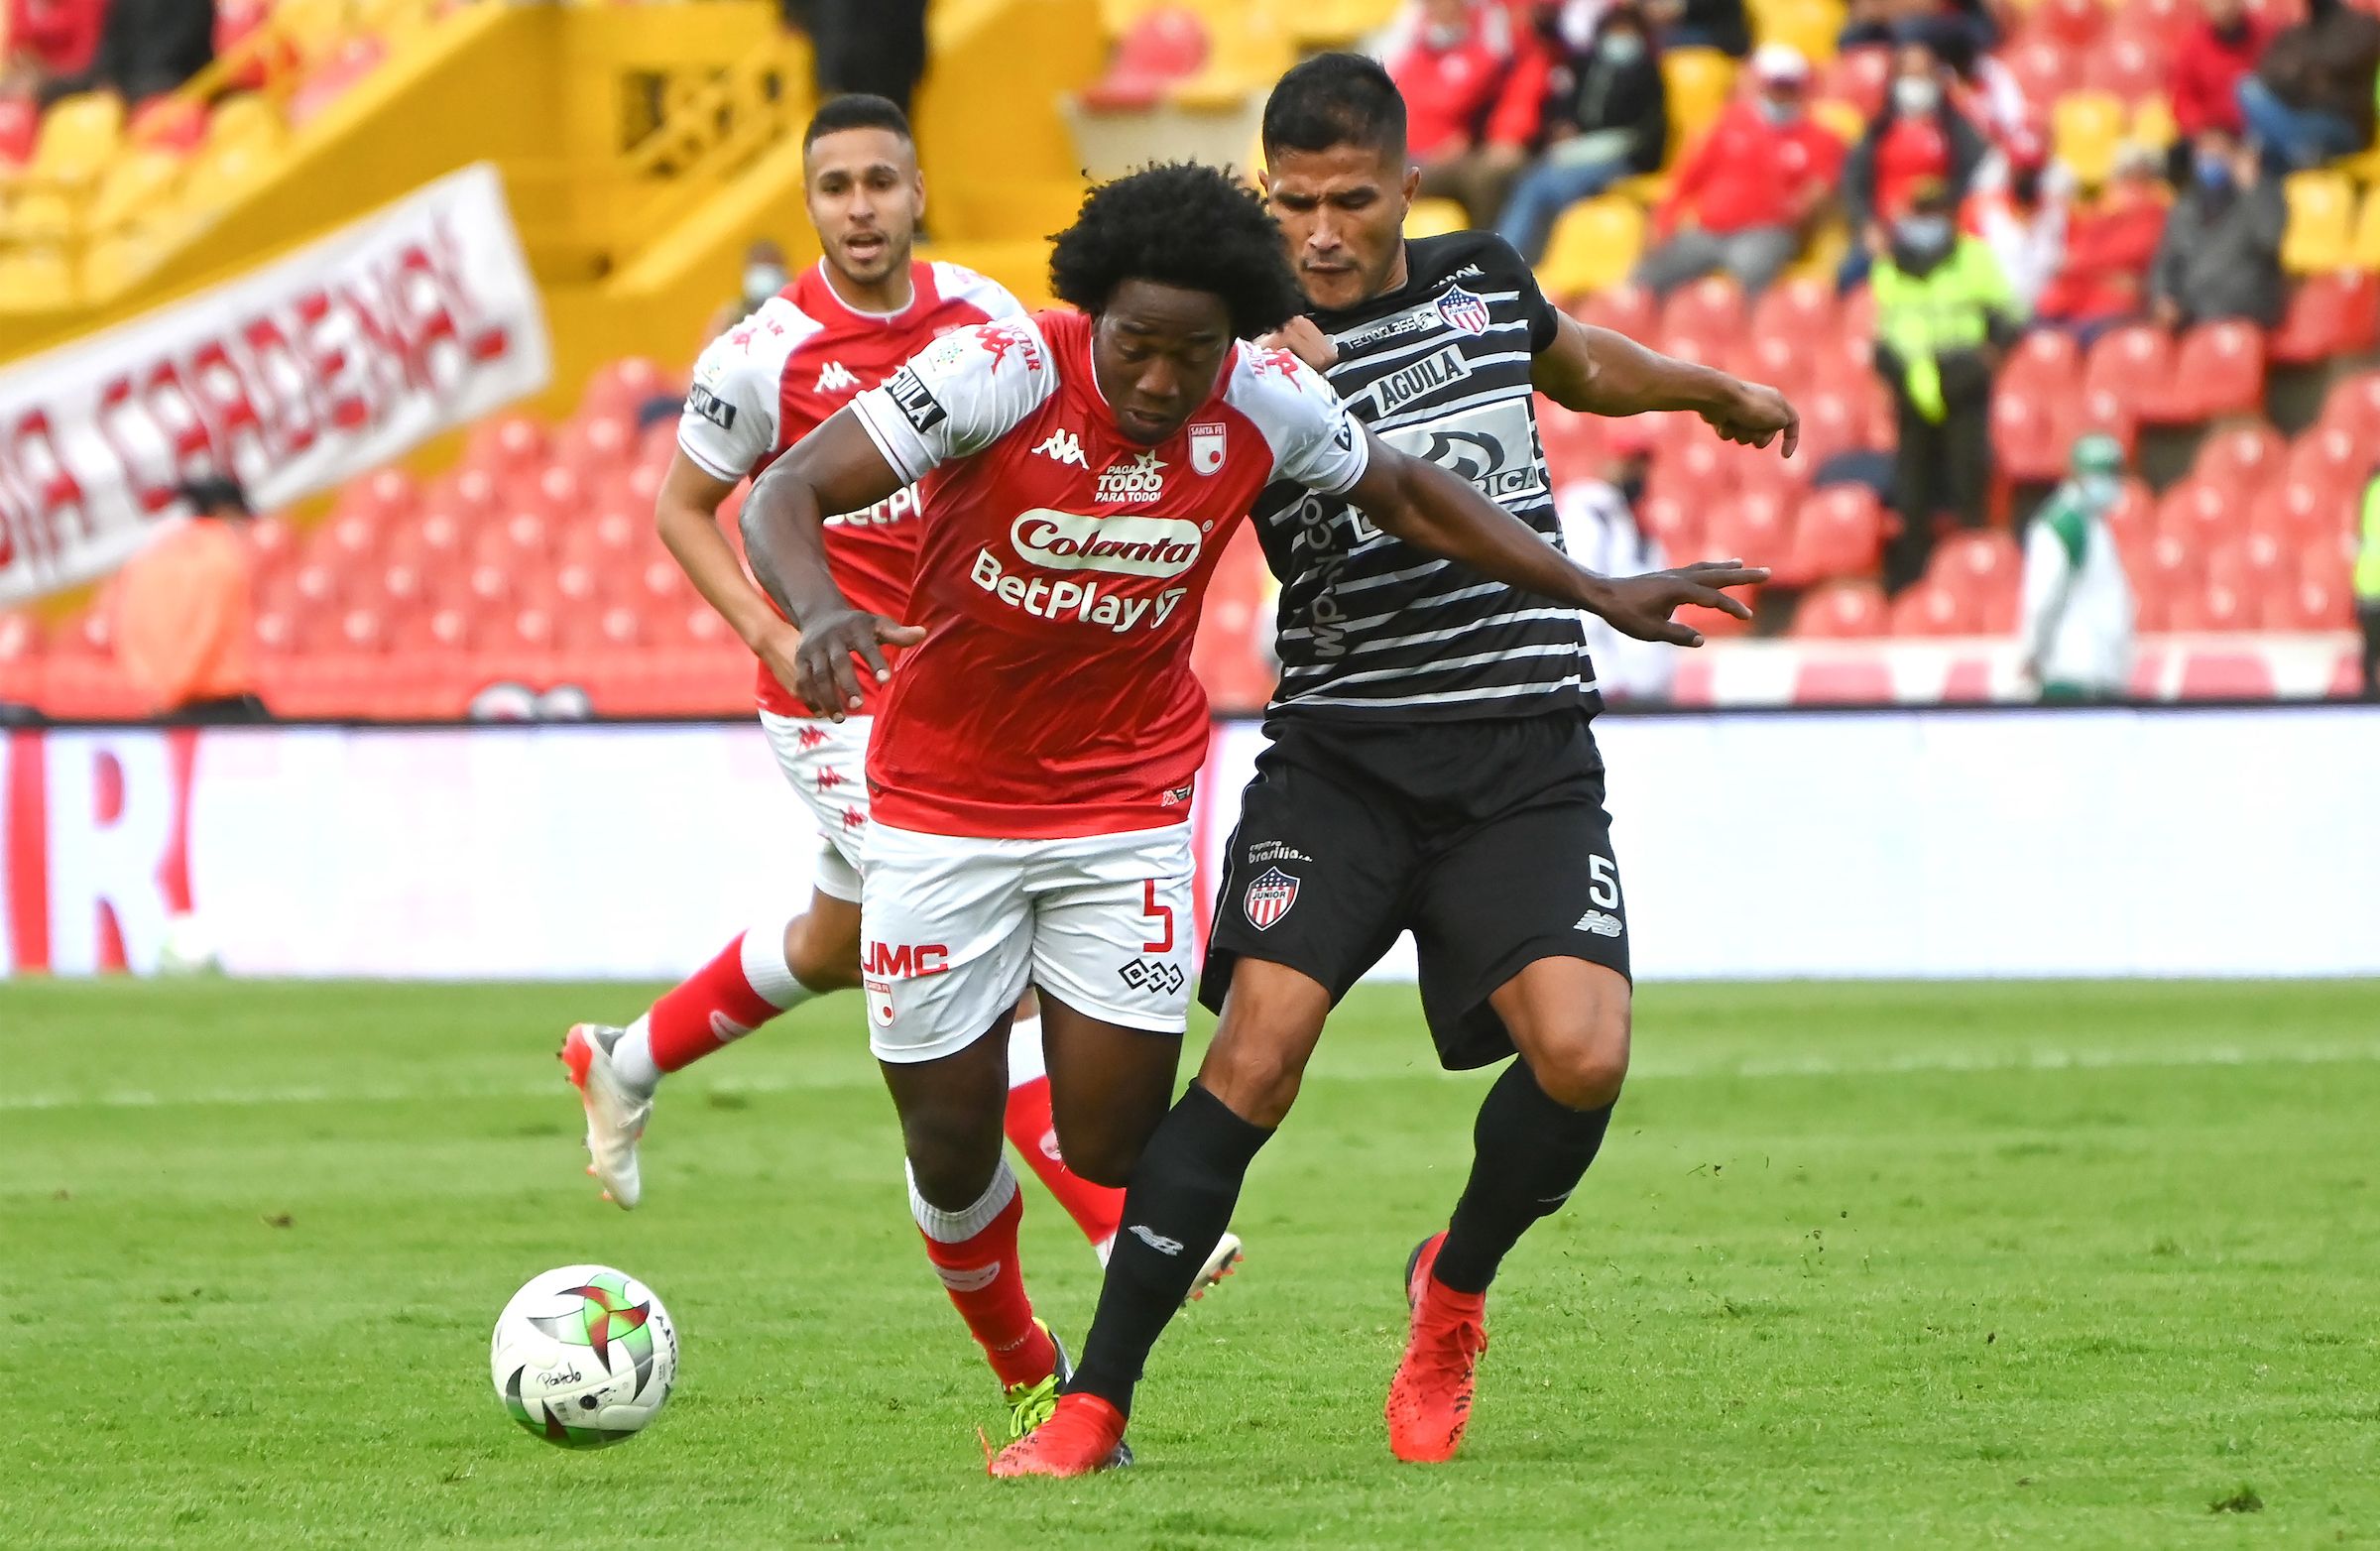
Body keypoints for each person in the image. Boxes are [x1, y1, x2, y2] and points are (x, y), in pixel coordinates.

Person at [738, 156, 1762, 1470]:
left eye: (1195, 352)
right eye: (1138, 346)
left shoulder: (1265, 396)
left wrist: (1592, 589)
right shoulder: (1000, 367)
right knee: (947, 1143)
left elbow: (1407, 491)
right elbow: (783, 491)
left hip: (1124, 801)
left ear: (1237, 335)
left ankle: (1111, 1393)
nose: (1165, 380)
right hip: (944, 801)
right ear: (1094, 313)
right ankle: (1028, 1362)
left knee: (1113, 1139)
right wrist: (818, 608)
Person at [990, 57, 1790, 1478]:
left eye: (1351, 201)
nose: (1321, 232)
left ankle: (1452, 1289)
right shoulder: (1230, 349)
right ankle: (1094, 1408)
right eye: (1293, 203)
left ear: (1409, 188)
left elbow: (1578, 360)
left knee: (1586, 1056)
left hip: (1523, 748)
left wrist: (1707, 388)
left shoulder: (1484, 278)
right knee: (1255, 1061)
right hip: (1343, 758)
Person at [559, 99, 1222, 1309]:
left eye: (880, 182)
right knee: (989, 965)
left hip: (963, 694)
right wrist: (775, 631)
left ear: (918, 192)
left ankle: (623, 1057)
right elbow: (683, 509)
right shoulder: (762, 352)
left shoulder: (987, 321)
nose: (859, 207)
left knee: (833, 943)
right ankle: (1112, 1218)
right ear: (810, 204)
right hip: (842, 704)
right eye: (835, 187)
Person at [1872, 179, 2020, 592]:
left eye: (1935, 213)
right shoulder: (1890, 264)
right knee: (1911, 490)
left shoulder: (1974, 257)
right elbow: (1885, 325)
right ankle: (1914, 587)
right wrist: (1892, 368)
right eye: (1921, 213)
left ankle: (1977, 579)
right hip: (1912, 383)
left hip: (1962, 380)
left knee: (1968, 481)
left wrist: (1987, 359)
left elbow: (2008, 315)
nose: (1928, 222)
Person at [1633, 42, 1844, 298]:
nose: (1780, 92)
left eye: (1788, 86)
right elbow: (1688, 177)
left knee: (1751, 272)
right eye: (1775, 85)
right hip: (1709, 230)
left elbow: (1822, 185)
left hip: (1765, 232)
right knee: (1650, 274)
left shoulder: (1820, 138)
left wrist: (1795, 210)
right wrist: (1663, 220)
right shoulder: (1727, 124)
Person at [1493, 3, 1667, 263]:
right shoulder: (1587, 67)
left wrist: (1620, 149)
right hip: (1577, 149)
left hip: (1622, 156)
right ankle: (1504, 255)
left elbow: (1649, 131)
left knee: (1557, 187)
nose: (1620, 38)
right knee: (1530, 181)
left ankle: (1543, 260)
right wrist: (1564, 125)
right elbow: (1566, 105)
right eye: (1615, 31)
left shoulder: (1648, 75)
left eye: (1627, 32)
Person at [111, 476, 268, 723]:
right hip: (219, 700)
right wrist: (177, 690)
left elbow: (129, 633)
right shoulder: (220, 555)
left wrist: (162, 698)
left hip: (161, 705)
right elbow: (206, 631)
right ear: (226, 511)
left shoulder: (143, 561)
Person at [1839, 39, 1988, 293]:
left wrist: (1951, 217)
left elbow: (1977, 175)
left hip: (1941, 228)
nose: (1916, 83)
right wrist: (1867, 225)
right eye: (1909, 75)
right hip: (1887, 230)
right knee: (1850, 277)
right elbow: (1854, 182)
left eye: (1923, 75)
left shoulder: (1954, 129)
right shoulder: (1879, 130)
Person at [1388, 0, 1544, 224]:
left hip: (1457, 154)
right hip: (1408, 153)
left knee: (1487, 176)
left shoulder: (1493, 54)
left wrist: (1496, 136)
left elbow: (1496, 104)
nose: (1437, 10)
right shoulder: (1410, 54)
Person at [1553, 422, 1676, 701]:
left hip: (1641, 684)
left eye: (1641, 465)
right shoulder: (1588, 512)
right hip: (1605, 682)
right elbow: (1582, 597)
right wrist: (1602, 673)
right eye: (1627, 463)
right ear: (1605, 462)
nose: (1636, 473)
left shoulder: (1632, 521)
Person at [2018, 434, 2135, 702]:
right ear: (2076, 476)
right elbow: (2043, 596)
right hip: (2070, 670)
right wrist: (2033, 652)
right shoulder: (2062, 524)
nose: (2109, 483)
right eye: (2099, 474)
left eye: (2112, 473)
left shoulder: (2094, 524)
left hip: (2102, 671)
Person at [2149, 127, 2285, 330]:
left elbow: (2270, 237)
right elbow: (2167, 260)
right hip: (2192, 313)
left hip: (2243, 310)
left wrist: (2251, 187)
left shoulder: (2263, 195)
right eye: (2204, 151)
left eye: (2219, 151)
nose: (2210, 159)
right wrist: (2163, 296)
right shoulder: (2187, 205)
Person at [2034, 142, 2168, 343]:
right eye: (2124, 174)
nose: (2129, 183)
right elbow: (2073, 255)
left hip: (2112, 309)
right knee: (2035, 332)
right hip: (2074, 302)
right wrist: (2095, 269)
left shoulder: (2155, 214)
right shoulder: (2103, 214)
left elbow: (2129, 252)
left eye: (2136, 176)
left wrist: (2080, 264)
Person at [2236, 0, 2380, 174]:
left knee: (2252, 95)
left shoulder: (2362, 25)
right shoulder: (2296, 33)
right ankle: (2300, 157)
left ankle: (2301, 157)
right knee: (2249, 89)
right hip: (2300, 118)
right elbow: (2267, 71)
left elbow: (2341, 62)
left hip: (2347, 127)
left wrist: (2300, 77)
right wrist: (2308, 80)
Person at [1964, 125, 2064, 314]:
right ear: (2009, 168)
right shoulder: (1980, 210)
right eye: (2021, 170)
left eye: (2032, 171)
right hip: (1993, 310)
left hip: (2044, 312)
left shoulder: (2056, 211)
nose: (2026, 177)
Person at [2170, 0, 2273, 160]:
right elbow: (2184, 101)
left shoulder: (2267, 35)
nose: (2224, 7)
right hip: (2216, 135)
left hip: (2262, 134)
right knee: (2210, 167)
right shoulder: (2192, 45)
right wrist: (2204, 133)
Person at [703, 239, 791, 343]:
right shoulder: (732, 314)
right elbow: (709, 348)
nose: (766, 275)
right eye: (760, 267)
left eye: (771, 267)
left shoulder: (795, 307)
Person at [2356, 463, 2380, 699]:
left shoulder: (2371, 489)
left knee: (2371, 648)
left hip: (2368, 583)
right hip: (2373, 584)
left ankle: (2368, 695)